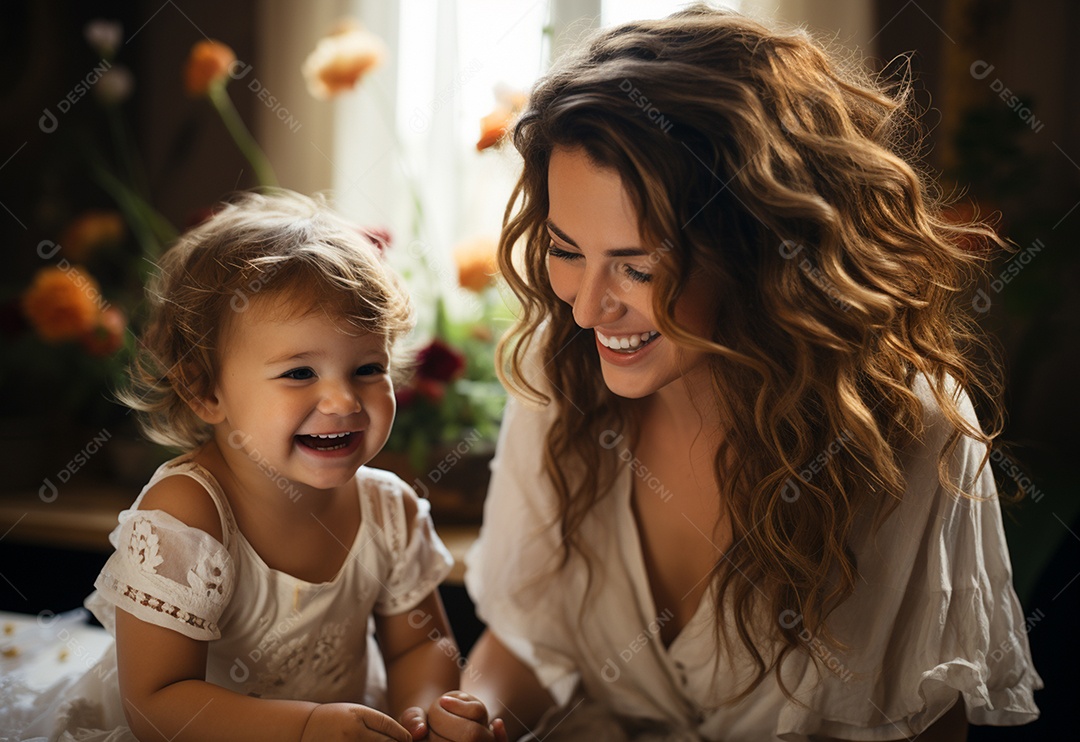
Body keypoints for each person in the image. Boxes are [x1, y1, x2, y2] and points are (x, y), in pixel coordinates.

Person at [461, 5, 1042, 741]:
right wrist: (474, 714)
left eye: (636, 266)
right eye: (567, 251)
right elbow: (522, 644)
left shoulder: (913, 429)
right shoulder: (559, 375)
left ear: (763, 251)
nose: (584, 311)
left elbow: (931, 722)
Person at [3, 191, 502, 741]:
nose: (343, 401)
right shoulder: (188, 514)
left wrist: (427, 715)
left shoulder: (389, 511)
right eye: (298, 373)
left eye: (366, 367)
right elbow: (156, 701)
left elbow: (417, 646)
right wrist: (305, 727)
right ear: (205, 392)